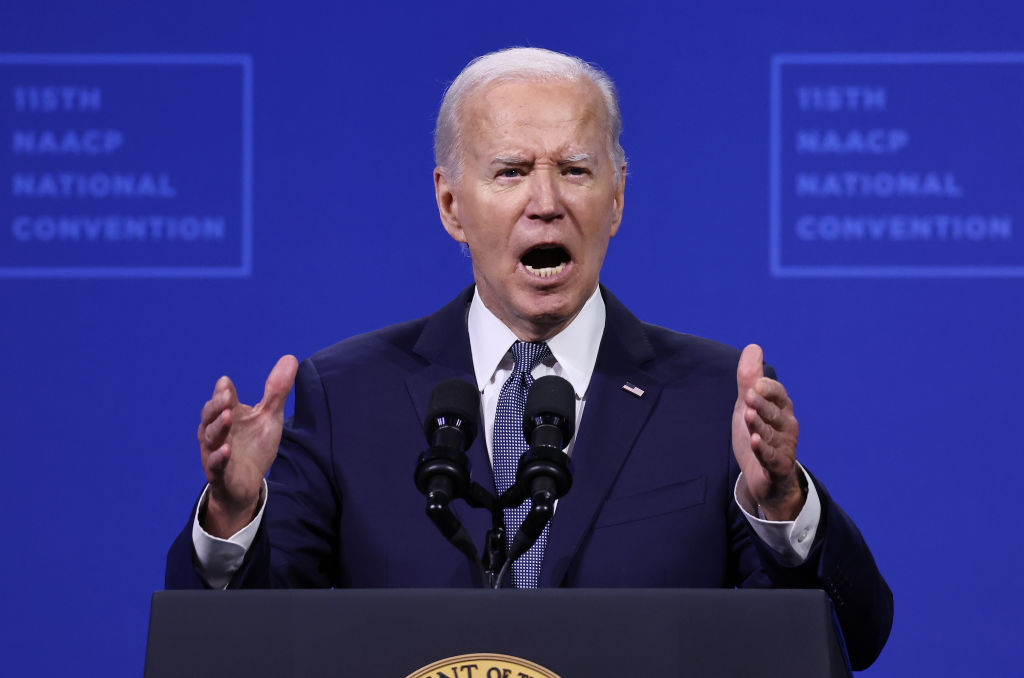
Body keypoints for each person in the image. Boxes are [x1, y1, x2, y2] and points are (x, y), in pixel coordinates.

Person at [166, 47, 892, 669]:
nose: (546, 201)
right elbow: (246, 650)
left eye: (575, 170)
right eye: (511, 171)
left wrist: (783, 509)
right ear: (451, 204)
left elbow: (848, 639)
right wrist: (233, 520)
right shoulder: (349, 395)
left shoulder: (710, 398)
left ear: (617, 198)